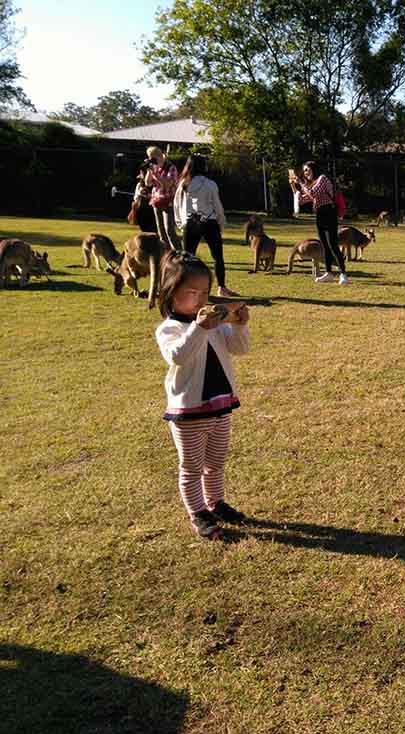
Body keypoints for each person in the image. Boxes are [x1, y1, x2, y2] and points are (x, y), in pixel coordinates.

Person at [156, 252, 251, 540]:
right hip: (189, 411)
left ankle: (216, 502)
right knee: (192, 465)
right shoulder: (170, 329)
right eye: (191, 292)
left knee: (216, 459)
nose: (200, 300)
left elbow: (239, 348)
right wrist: (199, 328)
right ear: (171, 293)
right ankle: (198, 512)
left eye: (205, 292)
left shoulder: (215, 322)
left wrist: (239, 324)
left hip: (221, 403)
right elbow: (179, 356)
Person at [173, 154, 237, 297]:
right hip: (209, 222)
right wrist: (222, 223)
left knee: (188, 258)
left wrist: (180, 223)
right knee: (218, 257)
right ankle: (221, 287)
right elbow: (218, 206)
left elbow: (177, 205)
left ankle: (185, 288)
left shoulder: (183, 184)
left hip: (190, 222)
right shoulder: (210, 184)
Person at [289, 161, 348, 284]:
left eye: (307, 169)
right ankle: (329, 273)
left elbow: (313, 193)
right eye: (304, 171)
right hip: (319, 214)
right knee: (324, 245)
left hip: (329, 213)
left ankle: (343, 274)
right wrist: (293, 186)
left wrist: (300, 183)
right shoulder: (311, 185)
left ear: (313, 168)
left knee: (333, 245)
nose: (305, 173)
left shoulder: (322, 179)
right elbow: (300, 200)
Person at [144, 146, 180, 251]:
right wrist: (149, 171)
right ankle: (166, 253)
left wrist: (156, 175)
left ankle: (179, 253)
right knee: (161, 231)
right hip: (156, 201)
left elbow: (167, 185)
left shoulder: (171, 167)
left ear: (158, 156)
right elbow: (148, 183)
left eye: (152, 157)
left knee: (169, 230)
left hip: (167, 201)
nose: (151, 160)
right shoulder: (154, 167)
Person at [130, 164, 157, 234]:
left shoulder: (155, 184)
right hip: (141, 211)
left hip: (151, 211)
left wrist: (150, 196)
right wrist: (140, 194)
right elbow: (136, 198)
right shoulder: (139, 185)